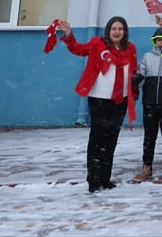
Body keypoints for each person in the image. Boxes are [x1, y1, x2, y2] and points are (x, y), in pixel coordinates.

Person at [57, 16, 138, 193]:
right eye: (114, 28)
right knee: (97, 139)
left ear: (124, 32)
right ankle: (93, 179)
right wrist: (69, 34)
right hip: (99, 99)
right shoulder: (97, 44)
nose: (117, 32)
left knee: (111, 140)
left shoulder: (130, 48)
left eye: (120, 29)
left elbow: (133, 71)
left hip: (120, 100)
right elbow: (78, 50)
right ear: (108, 30)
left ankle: (105, 178)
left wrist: (136, 83)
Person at [131, 24, 162, 182]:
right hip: (150, 102)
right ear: (154, 41)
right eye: (158, 40)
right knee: (149, 136)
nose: (161, 43)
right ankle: (147, 166)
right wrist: (136, 79)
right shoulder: (147, 56)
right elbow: (141, 74)